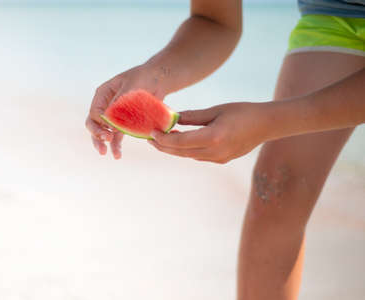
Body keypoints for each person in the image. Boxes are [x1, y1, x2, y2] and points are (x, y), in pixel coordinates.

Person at [85, 1, 365, 299]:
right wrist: (157, 73)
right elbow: (214, 20)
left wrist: (270, 121)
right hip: (335, 13)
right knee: (274, 186)